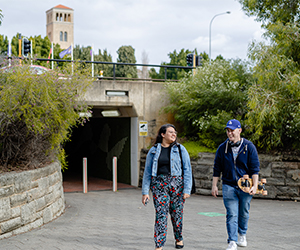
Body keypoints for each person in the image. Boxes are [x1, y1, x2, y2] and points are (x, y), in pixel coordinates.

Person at [142, 124, 193, 250]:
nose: (174, 134)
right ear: (163, 134)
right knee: (161, 214)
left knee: (177, 215)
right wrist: (145, 192)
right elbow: (147, 172)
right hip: (159, 185)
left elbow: (187, 170)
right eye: (170, 132)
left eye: (175, 132)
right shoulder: (153, 150)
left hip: (177, 185)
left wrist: (187, 190)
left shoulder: (181, 149)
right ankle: (159, 244)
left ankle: (178, 237)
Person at [211, 119, 260, 250]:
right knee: (232, 213)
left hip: (245, 186)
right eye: (228, 130)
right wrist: (214, 185)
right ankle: (232, 241)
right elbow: (217, 168)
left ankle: (242, 234)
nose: (229, 133)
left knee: (244, 212)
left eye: (232, 130)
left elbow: (255, 169)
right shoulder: (222, 148)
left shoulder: (249, 147)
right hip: (228, 185)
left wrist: (255, 186)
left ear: (239, 130)